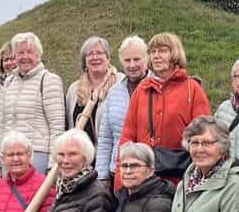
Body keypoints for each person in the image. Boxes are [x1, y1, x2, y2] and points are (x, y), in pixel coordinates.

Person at [117, 32, 209, 189]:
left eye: (163, 51)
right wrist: (121, 183)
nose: (156, 56)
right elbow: (128, 135)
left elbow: (204, 134)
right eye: (153, 52)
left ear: (175, 54)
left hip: (180, 178)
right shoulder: (142, 90)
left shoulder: (191, 89)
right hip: (143, 180)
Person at [0, 32, 65, 175]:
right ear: (15, 56)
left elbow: (57, 126)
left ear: (38, 55)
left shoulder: (49, 80)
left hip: (37, 155)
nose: (25, 57)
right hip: (9, 155)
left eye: (30, 52)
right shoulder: (8, 82)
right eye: (20, 52)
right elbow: (0, 125)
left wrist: (53, 163)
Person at [94, 35, 149, 184]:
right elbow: (105, 137)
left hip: (147, 172)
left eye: (137, 59)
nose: (132, 65)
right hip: (118, 170)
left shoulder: (157, 89)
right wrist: (102, 175)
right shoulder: (115, 91)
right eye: (127, 60)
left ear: (146, 59)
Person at [64, 36, 119, 146]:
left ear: (108, 58)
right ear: (85, 60)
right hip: (79, 154)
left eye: (99, 53)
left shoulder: (120, 83)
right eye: (90, 54)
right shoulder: (74, 89)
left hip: (109, 152)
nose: (95, 57)